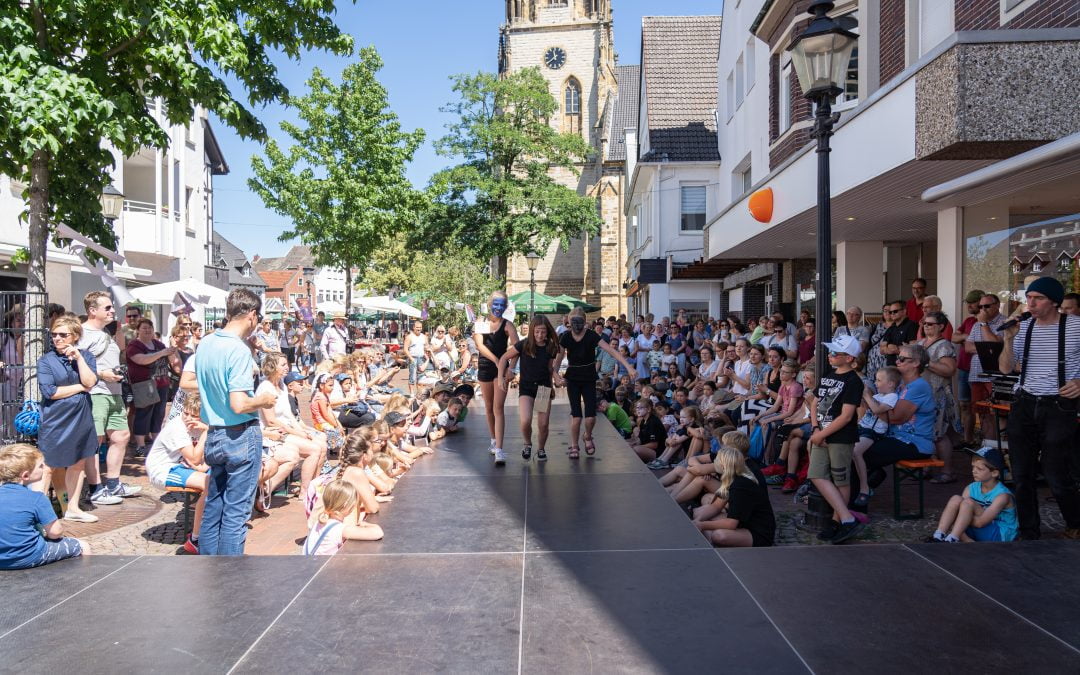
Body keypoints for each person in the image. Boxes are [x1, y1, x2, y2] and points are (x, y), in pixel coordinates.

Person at [194, 289, 277, 556]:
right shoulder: (238, 350)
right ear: (252, 315)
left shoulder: (205, 343)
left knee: (213, 508)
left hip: (214, 434)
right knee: (236, 513)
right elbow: (239, 404)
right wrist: (263, 400)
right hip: (240, 435)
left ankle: (208, 566)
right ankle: (230, 574)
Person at [998, 276, 1080, 540]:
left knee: (1056, 472)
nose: (1030, 303)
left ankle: (1075, 523)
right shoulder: (1023, 327)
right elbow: (1005, 368)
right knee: (1021, 474)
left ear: (1054, 301)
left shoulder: (1076, 326)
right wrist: (1009, 340)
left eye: (1037, 298)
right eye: (1028, 298)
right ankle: (1029, 531)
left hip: (1058, 405)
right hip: (1025, 402)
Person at [38, 316, 101, 523]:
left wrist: (79, 360)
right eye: (54, 334)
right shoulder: (46, 360)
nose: (57, 338)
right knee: (48, 466)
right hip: (55, 418)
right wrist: (81, 388)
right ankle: (37, 513)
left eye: (63, 335)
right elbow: (50, 391)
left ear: (74, 336)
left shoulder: (86, 356)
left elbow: (91, 380)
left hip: (81, 416)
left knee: (78, 463)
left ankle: (72, 508)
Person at [78, 291, 139, 503]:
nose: (113, 310)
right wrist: (100, 374)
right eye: (108, 308)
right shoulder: (82, 334)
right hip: (95, 393)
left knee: (121, 436)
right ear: (92, 311)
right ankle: (95, 489)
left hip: (114, 393)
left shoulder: (106, 333)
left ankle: (113, 484)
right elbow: (75, 366)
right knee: (95, 440)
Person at [555, 307, 637, 458]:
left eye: (580, 322)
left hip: (588, 378)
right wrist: (555, 375)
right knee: (576, 416)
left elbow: (611, 351)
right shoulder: (565, 337)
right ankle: (574, 445)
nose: (577, 326)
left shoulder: (591, 336)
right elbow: (558, 358)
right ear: (569, 323)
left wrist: (628, 366)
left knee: (590, 417)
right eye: (574, 323)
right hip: (572, 378)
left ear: (585, 323)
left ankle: (587, 436)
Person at [806, 335, 865, 544]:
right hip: (820, 433)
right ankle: (847, 519)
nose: (830, 356)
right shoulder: (828, 375)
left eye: (835, 353)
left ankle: (838, 520)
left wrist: (821, 434)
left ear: (849, 358)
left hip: (840, 437)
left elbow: (848, 415)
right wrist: (815, 428)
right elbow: (815, 403)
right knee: (816, 474)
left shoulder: (853, 381)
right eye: (830, 352)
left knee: (841, 479)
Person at [863, 343, 938, 493]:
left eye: (902, 359)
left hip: (915, 443)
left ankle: (860, 494)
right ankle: (862, 487)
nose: (897, 361)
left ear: (916, 363)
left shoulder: (919, 386)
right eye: (898, 358)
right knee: (850, 448)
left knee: (859, 454)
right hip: (894, 437)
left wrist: (869, 400)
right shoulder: (900, 385)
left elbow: (896, 418)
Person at [0, 444, 88, 569]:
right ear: (25, 475)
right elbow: (55, 533)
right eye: (41, 466)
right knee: (82, 546)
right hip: (29, 556)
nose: (44, 467)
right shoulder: (36, 498)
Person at [144, 392, 209, 554]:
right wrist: (207, 432)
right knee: (209, 483)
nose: (187, 418)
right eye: (185, 413)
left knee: (216, 477)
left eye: (193, 415)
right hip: (164, 470)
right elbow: (194, 459)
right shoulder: (177, 427)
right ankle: (195, 538)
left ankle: (208, 527)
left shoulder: (197, 425)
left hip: (180, 466)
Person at [498, 315, 559, 461]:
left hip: (544, 388)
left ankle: (541, 448)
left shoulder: (551, 347)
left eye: (543, 332)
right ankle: (527, 443)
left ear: (547, 332)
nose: (540, 335)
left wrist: (555, 379)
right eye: (537, 331)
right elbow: (504, 358)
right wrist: (501, 377)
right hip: (526, 388)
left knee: (543, 424)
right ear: (532, 331)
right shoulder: (524, 344)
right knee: (525, 420)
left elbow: (550, 368)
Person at [928, 447, 1017, 543]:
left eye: (979, 468)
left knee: (968, 503)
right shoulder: (971, 488)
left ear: (994, 473)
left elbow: (980, 523)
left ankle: (953, 539)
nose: (974, 471)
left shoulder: (1002, 496)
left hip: (998, 535)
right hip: (977, 531)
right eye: (973, 467)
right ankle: (938, 535)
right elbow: (959, 516)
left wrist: (959, 517)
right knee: (956, 499)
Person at [474, 292, 519, 466]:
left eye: (502, 305)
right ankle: (493, 439)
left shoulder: (508, 325)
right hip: (486, 366)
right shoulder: (481, 323)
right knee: (488, 407)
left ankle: (499, 449)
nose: (498, 308)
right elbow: (479, 345)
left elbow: (517, 347)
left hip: (502, 370)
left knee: (498, 407)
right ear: (490, 304)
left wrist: (511, 367)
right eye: (496, 304)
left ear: (505, 306)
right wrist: (497, 360)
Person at [699, 447, 775, 548]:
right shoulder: (732, 476)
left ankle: (712, 549)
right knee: (702, 512)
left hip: (759, 532)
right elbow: (716, 506)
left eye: (717, 460)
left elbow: (731, 523)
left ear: (724, 465)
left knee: (719, 535)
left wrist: (701, 525)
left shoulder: (740, 485)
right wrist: (698, 519)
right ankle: (710, 546)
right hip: (744, 522)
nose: (715, 462)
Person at [920, 311, 961, 484]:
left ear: (941, 326)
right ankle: (926, 466)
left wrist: (927, 363)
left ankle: (947, 471)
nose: (926, 326)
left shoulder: (944, 345)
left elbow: (950, 370)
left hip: (937, 393)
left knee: (939, 434)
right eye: (925, 323)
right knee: (925, 432)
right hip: (922, 394)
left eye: (930, 324)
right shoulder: (921, 343)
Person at [851, 366, 900, 508]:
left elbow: (878, 409)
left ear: (890, 383)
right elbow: (867, 406)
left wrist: (867, 396)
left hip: (873, 432)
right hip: (862, 427)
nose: (876, 383)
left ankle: (864, 487)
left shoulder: (892, 397)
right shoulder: (879, 396)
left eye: (879, 380)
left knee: (856, 452)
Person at [126, 318, 175, 456]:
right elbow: (141, 360)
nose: (147, 331)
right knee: (144, 414)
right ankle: (140, 446)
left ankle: (156, 444)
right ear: (138, 330)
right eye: (144, 328)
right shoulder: (134, 345)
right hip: (144, 385)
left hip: (162, 383)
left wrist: (172, 350)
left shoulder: (158, 344)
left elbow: (173, 361)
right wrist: (162, 353)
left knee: (158, 415)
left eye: (150, 328)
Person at [964, 294, 1007, 441]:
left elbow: (995, 346)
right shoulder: (977, 324)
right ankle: (989, 445)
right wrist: (985, 348)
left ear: (997, 305)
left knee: (1000, 412)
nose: (982, 310)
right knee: (981, 412)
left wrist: (984, 325)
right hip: (977, 374)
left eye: (986, 306)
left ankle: (1002, 447)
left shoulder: (1004, 322)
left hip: (996, 376)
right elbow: (968, 347)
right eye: (980, 306)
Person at [951, 289, 985, 449]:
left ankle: (985, 441)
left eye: (973, 302)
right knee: (964, 404)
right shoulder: (969, 321)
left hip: (979, 370)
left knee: (980, 407)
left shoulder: (986, 322)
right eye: (968, 302)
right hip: (964, 368)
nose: (969, 305)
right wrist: (967, 337)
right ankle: (968, 439)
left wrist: (966, 339)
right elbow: (954, 337)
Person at [880, 300, 918, 367]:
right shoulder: (891, 327)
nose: (892, 314)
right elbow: (882, 349)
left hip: (906, 367)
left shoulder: (912, 325)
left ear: (904, 311)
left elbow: (914, 347)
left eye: (895, 311)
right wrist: (890, 349)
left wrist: (896, 349)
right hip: (891, 367)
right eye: (890, 312)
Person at [403, 321, 429, 396]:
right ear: (414, 327)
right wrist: (411, 358)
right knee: (412, 376)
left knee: (421, 376)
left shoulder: (424, 337)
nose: (419, 329)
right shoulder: (409, 337)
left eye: (420, 327)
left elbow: (426, 347)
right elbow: (405, 349)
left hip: (421, 358)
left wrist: (426, 353)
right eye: (417, 327)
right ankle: (411, 393)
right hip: (413, 357)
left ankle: (419, 392)